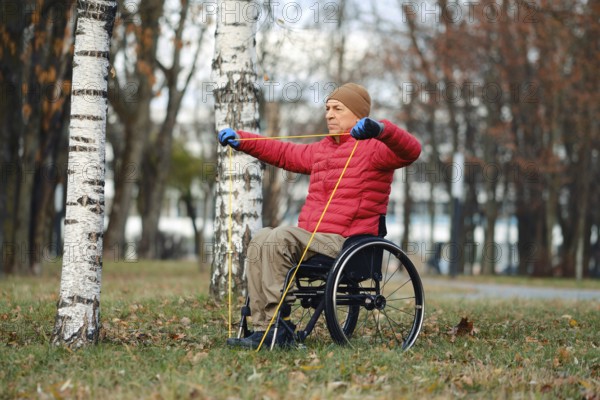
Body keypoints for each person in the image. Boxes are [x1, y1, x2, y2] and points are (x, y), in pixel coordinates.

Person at [218, 83, 421, 349]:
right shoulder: (322, 150)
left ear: (358, 116)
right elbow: (283, 152)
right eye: (327, 108)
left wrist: (380, 129)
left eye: (338, 109)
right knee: (261, 238)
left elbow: (412, 150)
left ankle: (277, 330)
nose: (329, 114)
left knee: (278, 237)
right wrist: (242, 140)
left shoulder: (375, 149)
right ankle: (265, 327)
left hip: (347, 241)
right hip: (313, 239)